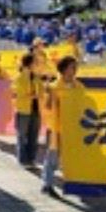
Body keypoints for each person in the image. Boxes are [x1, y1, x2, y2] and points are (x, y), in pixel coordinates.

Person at [42, 56, 84, 198]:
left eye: (75, 67)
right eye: (72, 67)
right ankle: (47, 184)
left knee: (71, 157)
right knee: (52, 157)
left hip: (72, 129)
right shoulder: (54, 87)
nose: (74, 70)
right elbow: (47, 106)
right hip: (56, 128)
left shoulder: (79, 86)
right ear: (64, 69)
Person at [12, 52, 43, 167]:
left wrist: (35, 94)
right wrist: (33, 95)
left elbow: (40, 92)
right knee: (22, 135)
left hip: (35, 109)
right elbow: (20, 93)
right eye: (35, 62)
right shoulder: (20, 77)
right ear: (29, 64)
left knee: (34, 136)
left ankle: (32, 159)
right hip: (23, 109)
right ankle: (23, 159)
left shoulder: (36, 77)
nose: (37, 64)